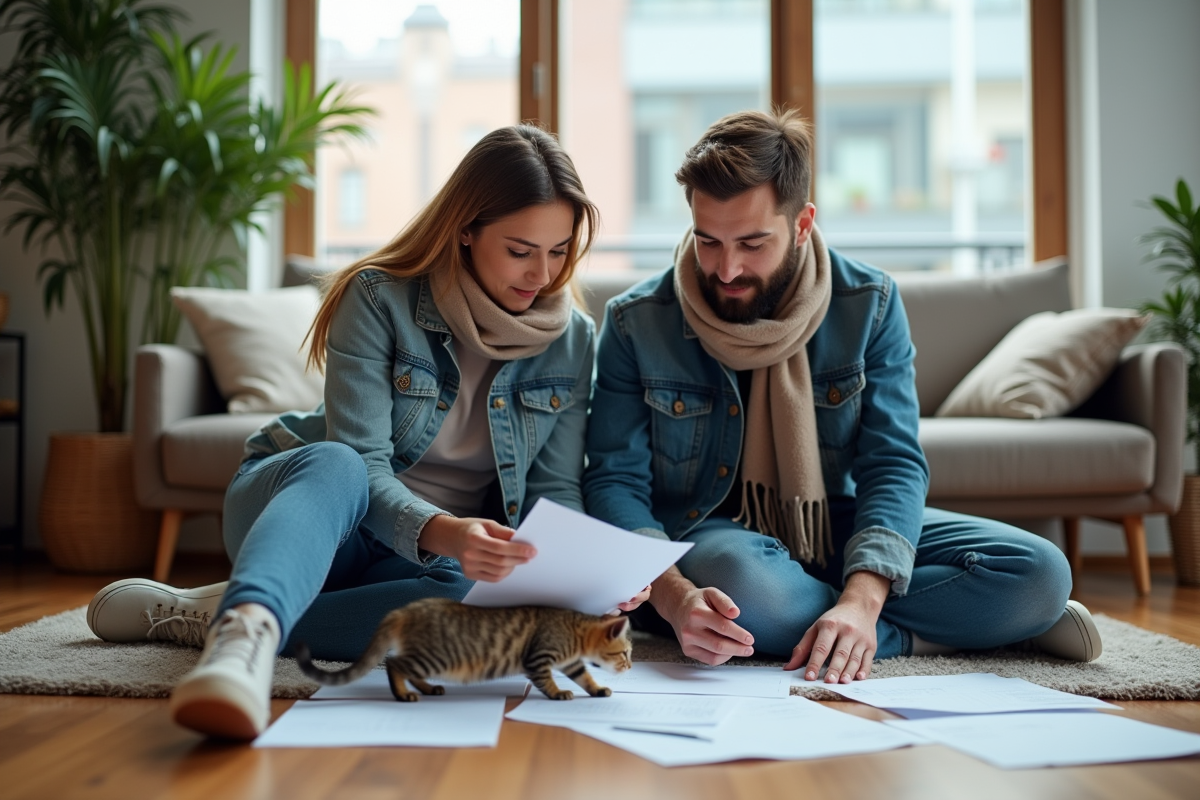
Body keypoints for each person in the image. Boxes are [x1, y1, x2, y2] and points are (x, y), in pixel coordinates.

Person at [87, 125, 646, 740]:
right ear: (466, 229)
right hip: (317, 513)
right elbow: (363, 461)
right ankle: (239, 646)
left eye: (560, 250)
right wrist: (443, 528)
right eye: (520, 250)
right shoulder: (379, 297)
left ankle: (222, 613)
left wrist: (589, 574)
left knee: (470, 604)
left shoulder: (573, 339)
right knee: (339, 464)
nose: (543, 273)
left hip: (425, 561)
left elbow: (554, 492)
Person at [583, 109, 1100, 684]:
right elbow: (613, 481)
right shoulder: (636, 322)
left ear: (802, 224)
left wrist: (863, 600)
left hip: (839, 524)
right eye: (708, 242)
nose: (726, 268)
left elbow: (894, 463)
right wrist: (676, 599)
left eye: (752, 243)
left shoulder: (870, 305)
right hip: (711, 532)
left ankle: (863, 627)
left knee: (1040, 573)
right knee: (742, 585)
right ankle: (952, 628)